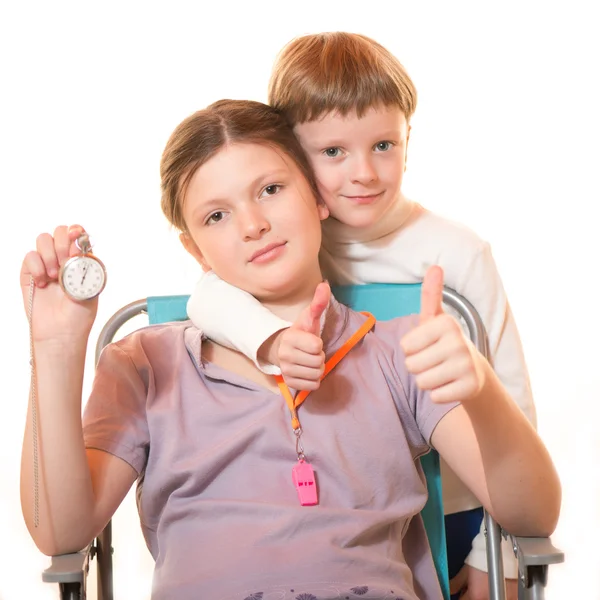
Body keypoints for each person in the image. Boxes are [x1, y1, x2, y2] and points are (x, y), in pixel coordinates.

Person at [19, 99, 559, 600]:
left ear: (316, 197)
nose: (253, 224)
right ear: (195, 249)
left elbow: (534, 514)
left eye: (270, 189)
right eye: (216, 215)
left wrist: (482, 390)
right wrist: (55, 348)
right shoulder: (145, 364)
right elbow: (60, 531)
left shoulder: (398, 352)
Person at [185, 32, 536, 599]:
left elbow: (512, 406)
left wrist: (496, 555)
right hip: (350, 501)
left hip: (466, 505)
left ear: (408, 139)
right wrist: (270, 341)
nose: (364, 174)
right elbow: (208, 296)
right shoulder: (294, 239)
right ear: (293, 157)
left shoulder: (457, 252)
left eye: (383, 145)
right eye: (332, 152)